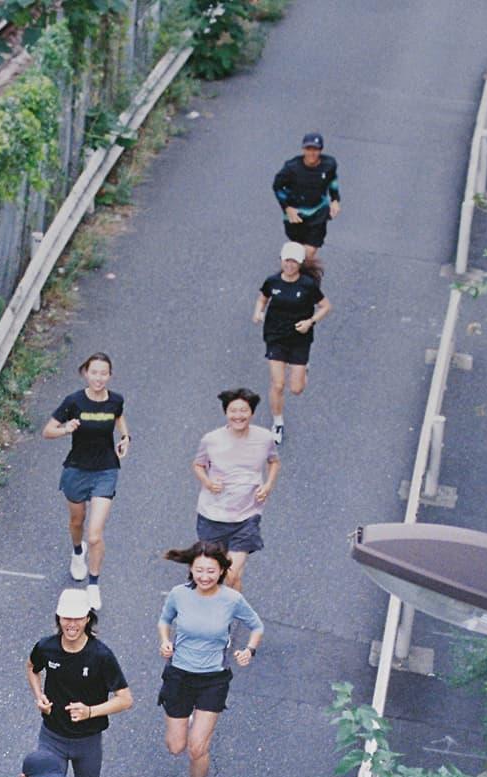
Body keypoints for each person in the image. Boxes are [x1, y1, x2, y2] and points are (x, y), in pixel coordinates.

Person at [158, 541, 264, 777]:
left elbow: (257, 626)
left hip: (212, 679)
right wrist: (165, 641)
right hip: (179, 674)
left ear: (221, 571)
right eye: (199, 570)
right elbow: (164, 620)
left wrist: (249, 650)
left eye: (211, 571)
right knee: (175, 747)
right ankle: (191, 717)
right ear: (191, 569)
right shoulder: (179, 595)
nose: (205, 576)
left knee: (197, 748)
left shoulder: (231, 600)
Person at [27, 587, 133, 777]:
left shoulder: (100, 656)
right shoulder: (46, 647)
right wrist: (39, 696)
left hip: (87, 739)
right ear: (58, 618)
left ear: (88, 619)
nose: (71, 624)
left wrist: (90, 712)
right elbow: (31, 668)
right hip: (52, 734)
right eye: (65, 618)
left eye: (77, 618)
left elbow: (125, 699)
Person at [41, 352, 130, 609]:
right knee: (77, 521)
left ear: (110, 375)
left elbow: (119, 418)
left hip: (106, 471)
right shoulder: (74, 401)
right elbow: (47, 431)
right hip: (77, 469)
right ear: (85, 373)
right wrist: (65, 429)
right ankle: (77, 553)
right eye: (94, 373)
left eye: (104, 373)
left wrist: (125, 438)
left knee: (95, 535)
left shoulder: (115, 401)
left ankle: (93, 584)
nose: (99, 378)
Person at [192, 388, 280, 591]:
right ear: (226, 413)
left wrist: (268, 485)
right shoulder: (211, 440)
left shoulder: (265, 438)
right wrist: (207, 482)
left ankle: (222, 617)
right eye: (233, 411)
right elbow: (198, 465)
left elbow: (274, 462)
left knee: (228, 574)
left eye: (243, 411)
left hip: (247, 516)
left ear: (252, 413)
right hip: (212, 516)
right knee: (230, 576)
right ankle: (233, 610)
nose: (238, 416)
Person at [254, 242, 331, 446]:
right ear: (281, 260)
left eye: (293, 262)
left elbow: (325, 306)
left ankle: (303, 369)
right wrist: (258, 312)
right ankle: (278, 423)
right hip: (275, 336)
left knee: (296, 389)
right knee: (278, 384)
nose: (289, 265)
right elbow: (262, 298)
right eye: (286, 260)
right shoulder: (272, 282)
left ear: (300, 263)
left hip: (299, 338)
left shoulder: (307, 285)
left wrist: (310, 322)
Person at [272, 131, 340, 257]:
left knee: (310, 250)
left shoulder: (329, 164)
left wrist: (335, 199)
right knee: (297, 249)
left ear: (320, 150)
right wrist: (287, 208)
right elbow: (277, 187)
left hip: (319, 211)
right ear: (303, 149)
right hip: (296, 214)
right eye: (309, 149)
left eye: (315, 149)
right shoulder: (291, 168)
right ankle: (297, 272)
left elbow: (332, 180)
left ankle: (304, 274)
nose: (312, 153)